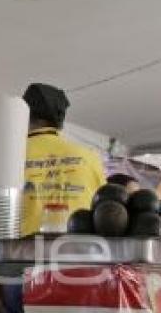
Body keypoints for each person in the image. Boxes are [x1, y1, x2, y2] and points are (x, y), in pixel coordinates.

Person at [22, 83, 106, 236]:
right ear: (60, 122)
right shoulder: (89, 156)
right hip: (78, 251)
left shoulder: (11, 156)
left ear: (23, 115)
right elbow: (105, 205)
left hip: (22, 253)